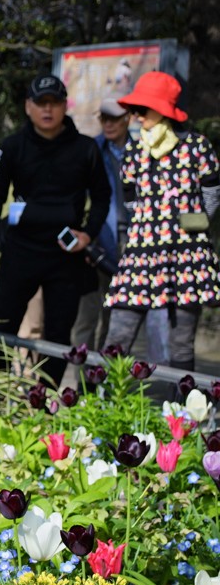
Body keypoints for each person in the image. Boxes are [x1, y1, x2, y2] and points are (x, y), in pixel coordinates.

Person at [0, 74, 111, 386]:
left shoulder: (86, 148)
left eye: (55, 103)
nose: (48, 110)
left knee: (59, 332)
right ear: (28, 107)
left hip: (65, 254)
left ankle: (43, 401)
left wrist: (88, 233)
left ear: (64, 106)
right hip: (20, 249)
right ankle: (1, 391)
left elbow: (102, 196)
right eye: (41, 103)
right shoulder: (12, 146)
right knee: (3, 325)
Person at [103, 72, 220, 373]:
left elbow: (212, 191)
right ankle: (101, 407)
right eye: (134, 110)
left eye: (143, 109)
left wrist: (194, 222)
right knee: (118, 335)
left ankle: (184, 414)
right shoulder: (134, 150)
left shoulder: (197, 145)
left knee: (182, 343)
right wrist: (146, 222)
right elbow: (128, 195)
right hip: (141, 254)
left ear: (164, 110)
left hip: (186, 255)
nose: (137, 116)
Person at [72, 97, 170, 360]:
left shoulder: (143, 151)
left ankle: (100, 380)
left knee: (114, 319)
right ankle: (84, 384)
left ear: (127, 118)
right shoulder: (91, 150)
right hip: (93, 242)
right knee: (85, 318)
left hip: (130, 247)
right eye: (104, 118)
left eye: (114, 118)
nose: (108, 124)